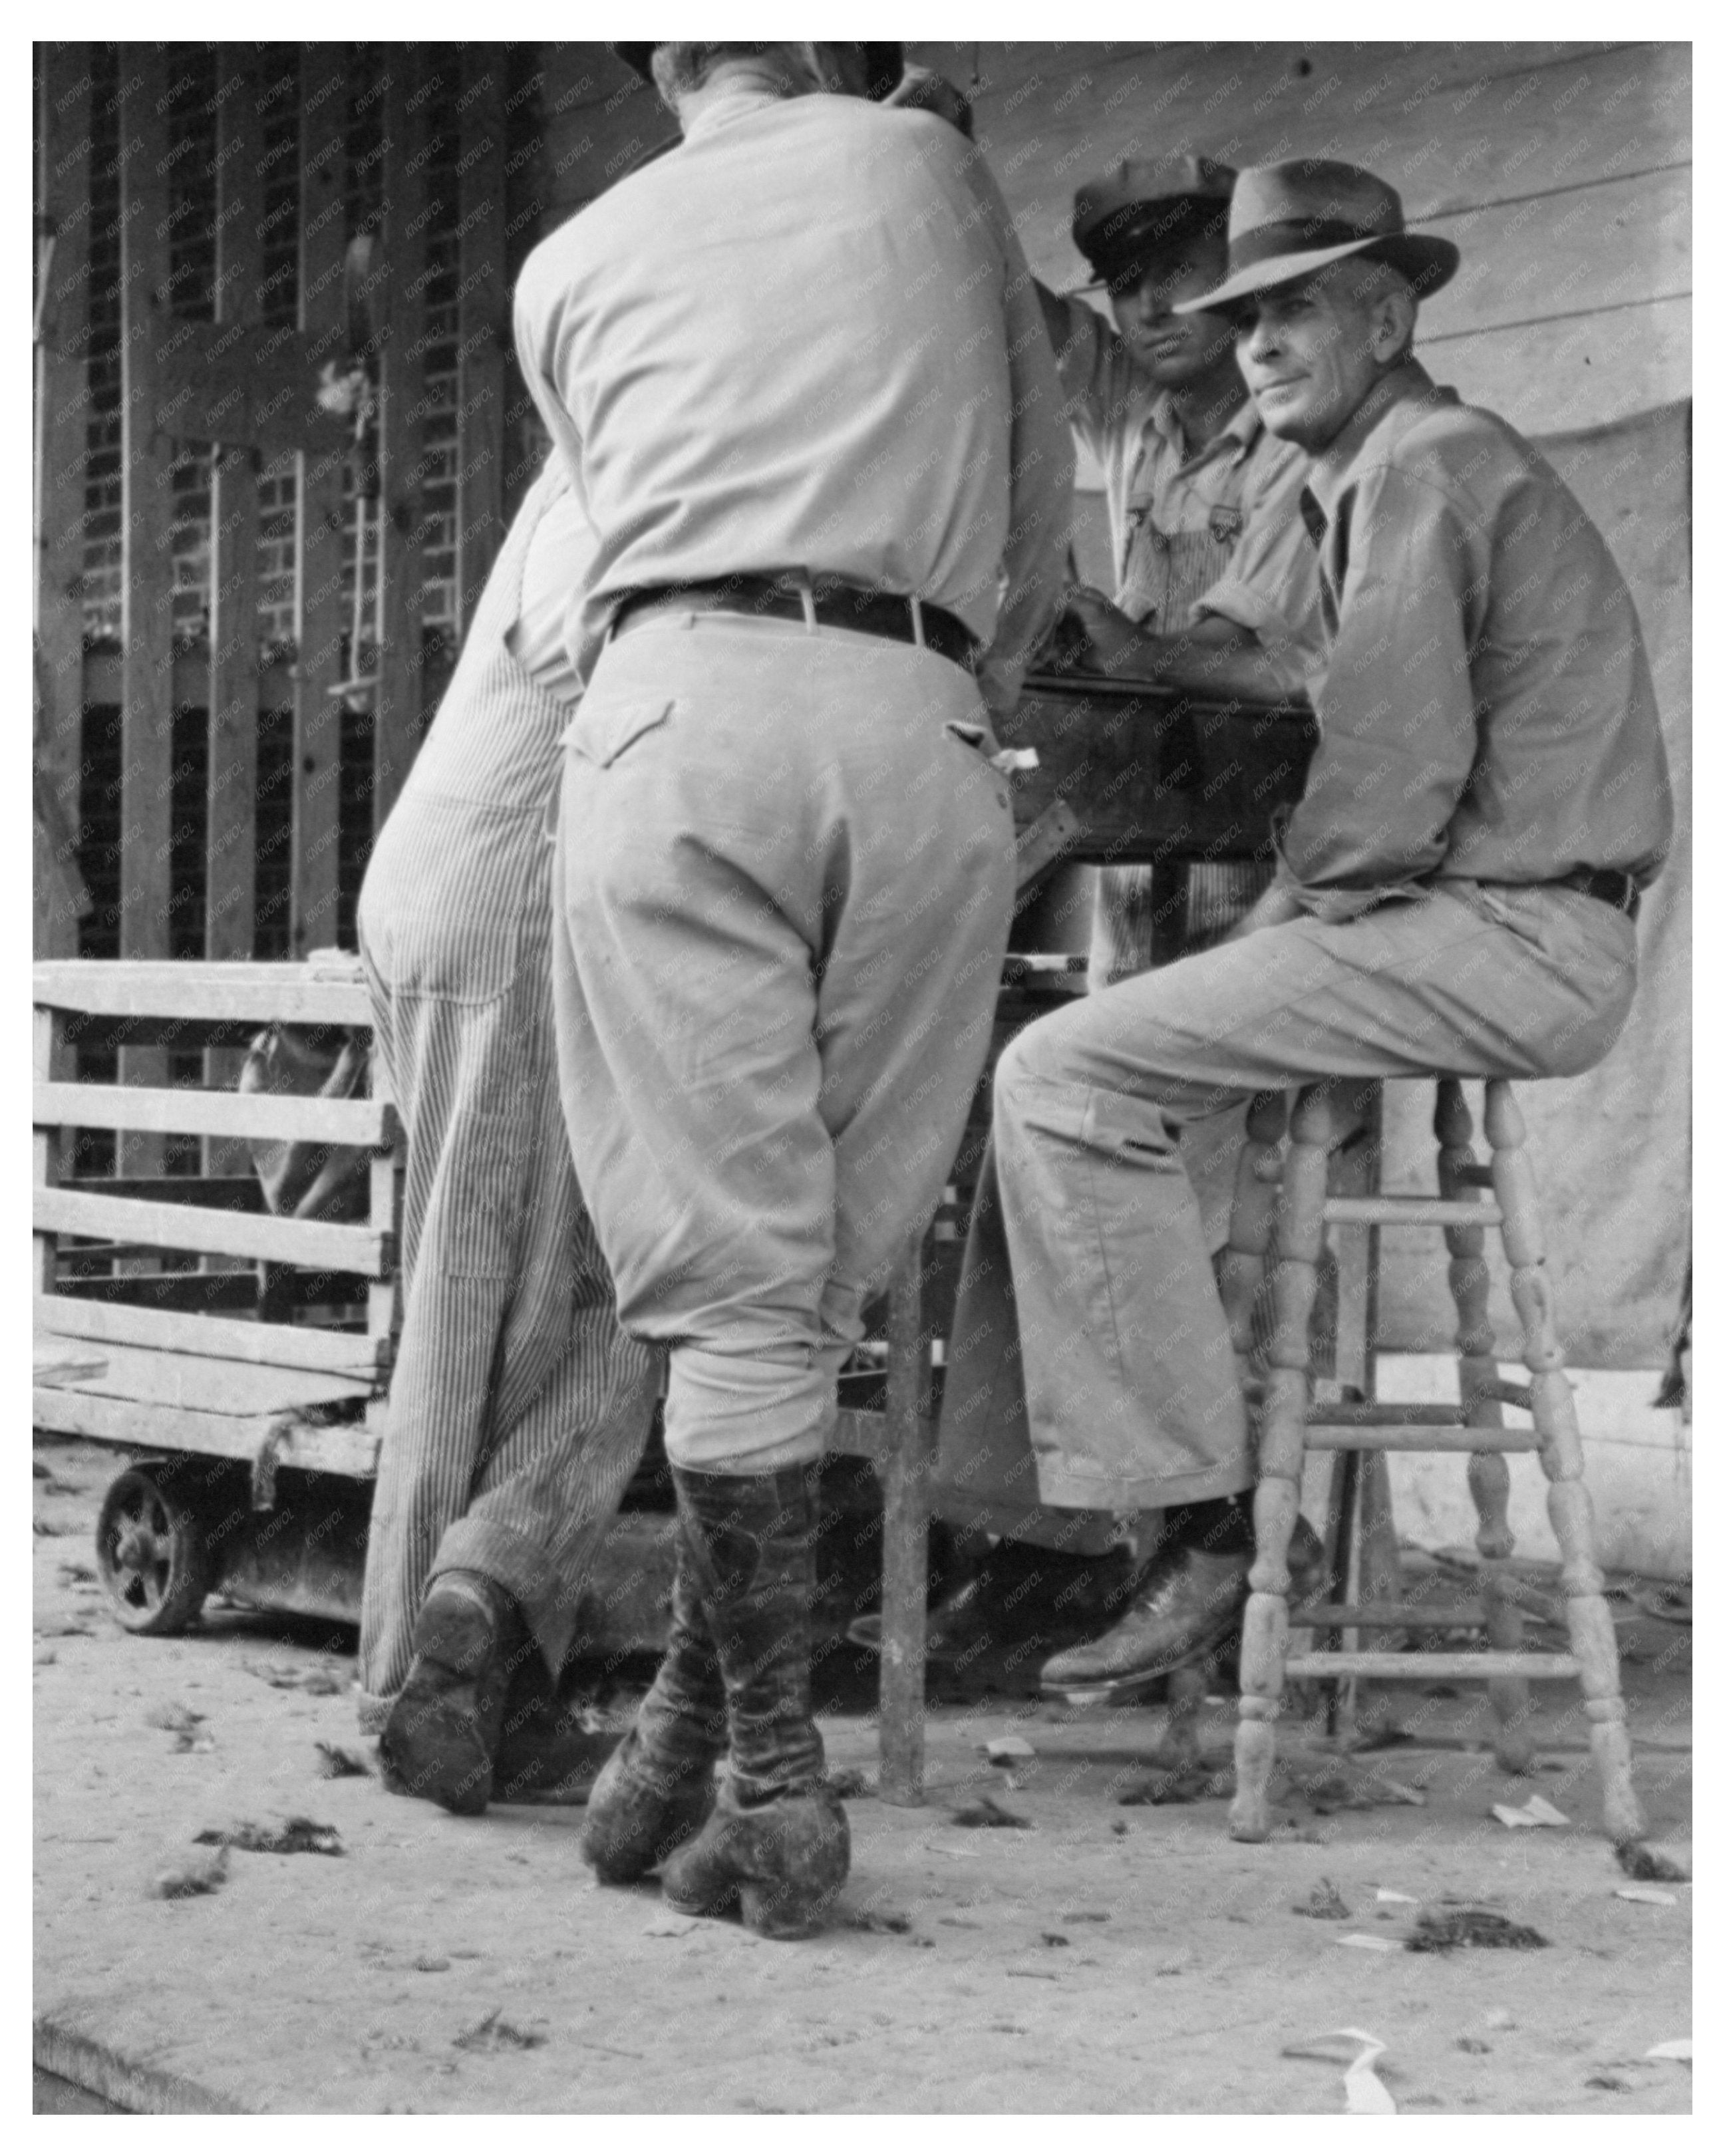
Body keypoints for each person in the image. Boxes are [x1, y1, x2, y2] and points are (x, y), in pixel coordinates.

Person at [929, 157, 1673, 1708]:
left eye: (1293, 313)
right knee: (1074, 1075)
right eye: (1241, 318)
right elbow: (1265, 668)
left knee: (1061, 1081)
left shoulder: (1421, 469)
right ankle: (1084, 1525)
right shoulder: (1370, 468)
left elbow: (1390, 781)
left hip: (1510, 934)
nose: (1256, 345)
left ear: (1390, 315)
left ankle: (1200, 1531)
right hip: (1485, 921)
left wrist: (1272, 923)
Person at [513, 39, 1072, 1937]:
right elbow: (1037, 506)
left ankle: (773, 1777)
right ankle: (692, 1736)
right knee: (810, 1272)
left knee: (738, 1284)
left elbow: (587, 554)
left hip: (675, 709)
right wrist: (946, 683)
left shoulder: (568, 258)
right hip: (914, 717)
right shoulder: (928, 164)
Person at [357, 458, 661, 1813]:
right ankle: (442, 1651)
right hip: (516, 896)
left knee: (494, 1302)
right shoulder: (613, 466)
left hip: (465, 880)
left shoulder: (613, 443)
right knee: (545, 1308)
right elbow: (604, 652)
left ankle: (469, 1672)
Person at [1036, 157, 1324, 985]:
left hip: (1263, 826)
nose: (1150, 307)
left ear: (1238, 280)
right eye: (1126, 285)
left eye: (1175, 275)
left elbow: (1271, 667)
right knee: (1117, 1056)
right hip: (1140, 817)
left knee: (1248, 1067)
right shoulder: (1134, 416)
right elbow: (1013, 312)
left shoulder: (1297, 437)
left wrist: (1131, 652)